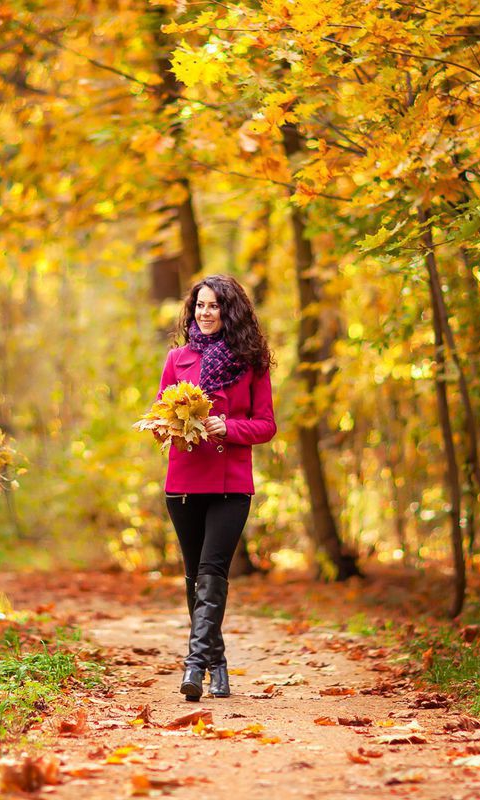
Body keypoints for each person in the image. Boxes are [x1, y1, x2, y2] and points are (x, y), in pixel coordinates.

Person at [156, 274, 276, 701]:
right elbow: (160, 412)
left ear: (231, 311)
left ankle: (194, 664)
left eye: (214, 305)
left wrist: (229, 427)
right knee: (195, 578)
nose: (206, 313)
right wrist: (168, 424)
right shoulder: (177, 358)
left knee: (212, 573)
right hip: (185, 481)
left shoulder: (252, 362)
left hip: (231, 483)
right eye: (200, 305)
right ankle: (217, 663)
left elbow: (267, 425)